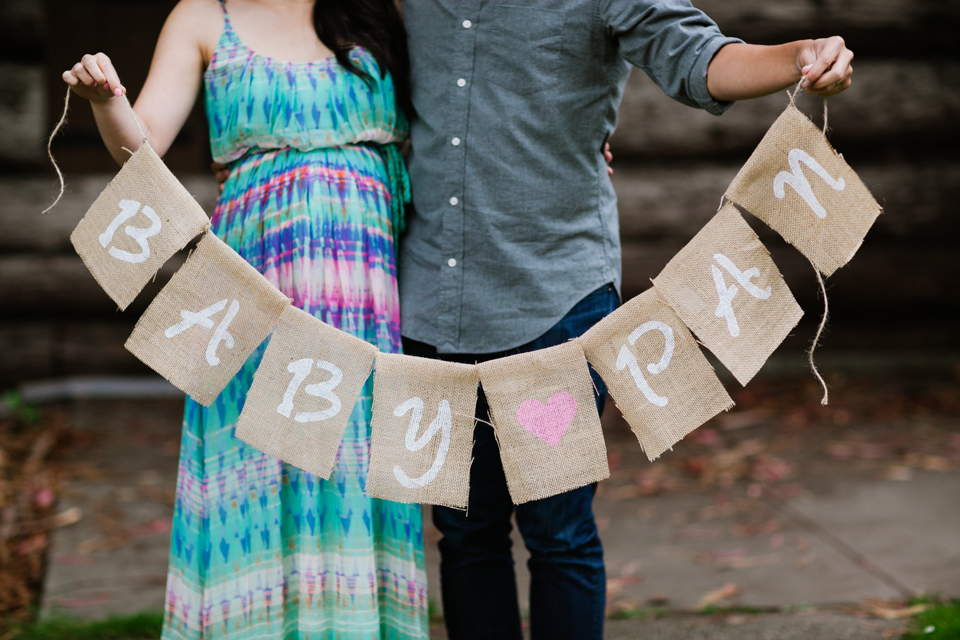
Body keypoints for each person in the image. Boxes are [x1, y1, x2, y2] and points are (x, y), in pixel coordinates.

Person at [395, 3, 853, 640]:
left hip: (554, 300)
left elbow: (699, 57)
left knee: (558, 533)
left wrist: (797, 55)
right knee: (466, 536)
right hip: (430, 299)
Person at [62, 0, 428, 638]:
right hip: (247, 294)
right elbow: (141, 144)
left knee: (353, 462)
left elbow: (467, 100)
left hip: (364, 300)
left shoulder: (379, 8)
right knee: (252, 466)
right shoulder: (203, 17)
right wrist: (104, 101)